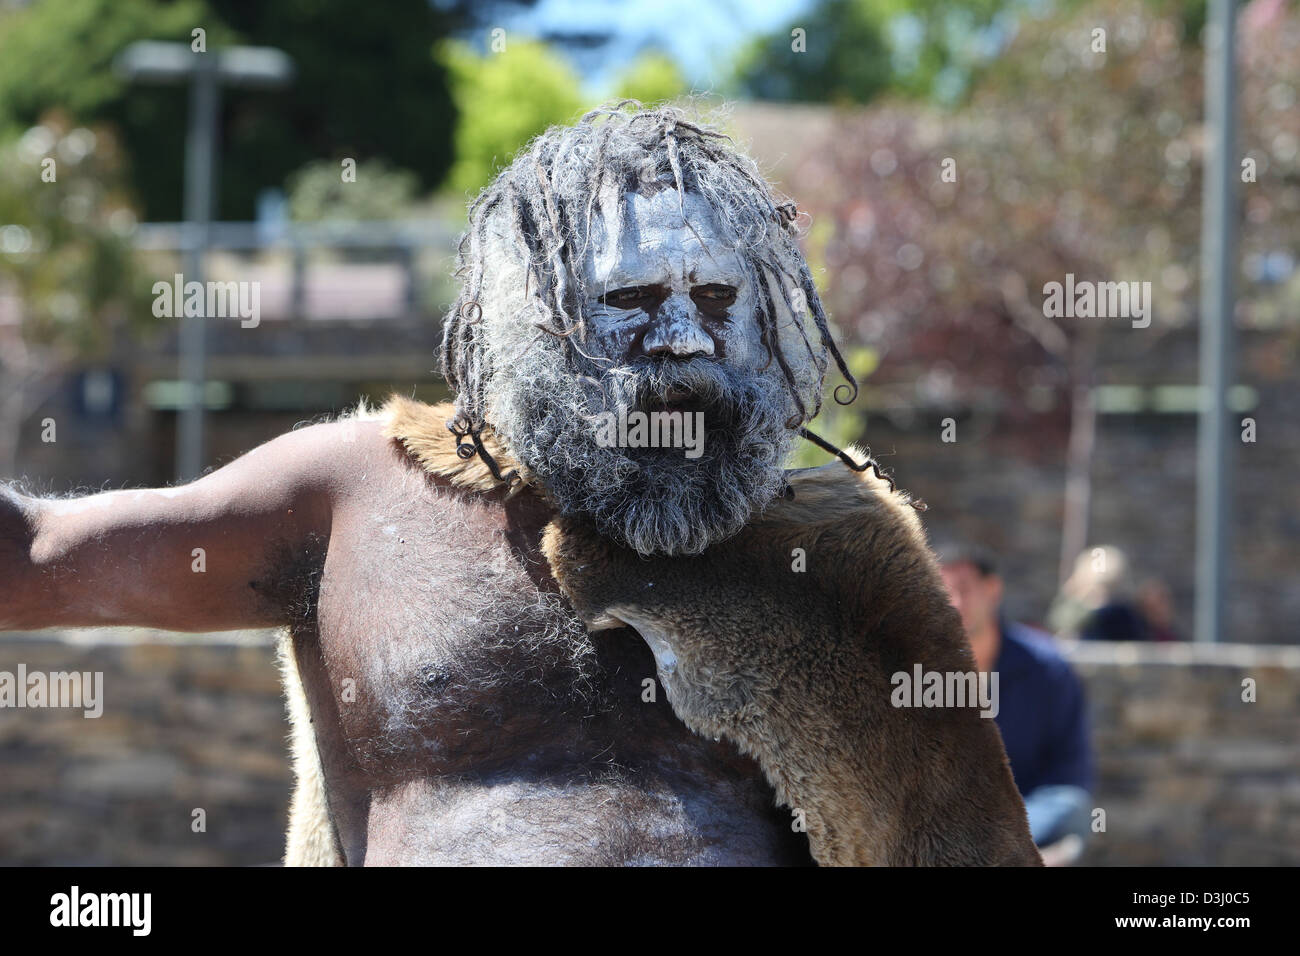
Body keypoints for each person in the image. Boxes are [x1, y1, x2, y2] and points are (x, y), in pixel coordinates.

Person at [1, 104, 1034, 866]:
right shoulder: (357, 492)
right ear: (526, 321)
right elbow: (38, 559)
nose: (686, 338)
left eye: (719, 300)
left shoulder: (845, 555)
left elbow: (975, 850)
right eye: (633, 302)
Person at [938, 545, 1095, 863]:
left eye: (963, 589)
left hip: (1028, 823)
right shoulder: (918, 669)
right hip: (943, 830)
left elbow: (1069, 778)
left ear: (992, 589)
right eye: (942, 592)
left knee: (1073, 807)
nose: (954, 603)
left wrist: (1001, 834)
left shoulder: (1048, 668)